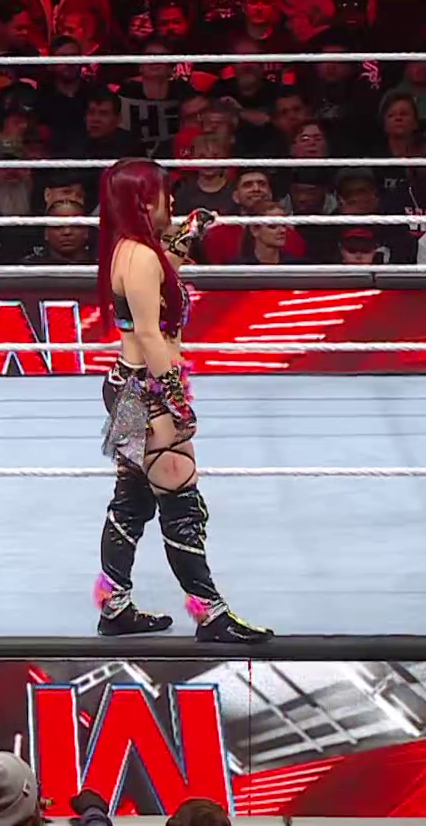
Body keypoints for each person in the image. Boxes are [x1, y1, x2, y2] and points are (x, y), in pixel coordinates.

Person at [95, 159, 268, 644]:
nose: (170, 200)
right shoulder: (140, 257)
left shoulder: (131, 249)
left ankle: (115, 606)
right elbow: (151, 335)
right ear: (144, 201)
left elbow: (159, 285)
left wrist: (188, 236)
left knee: (132, 500)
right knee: (180, 498)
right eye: (163, 193)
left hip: (130, 385)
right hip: (147, 389)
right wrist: (176, 401)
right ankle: (211, 614)